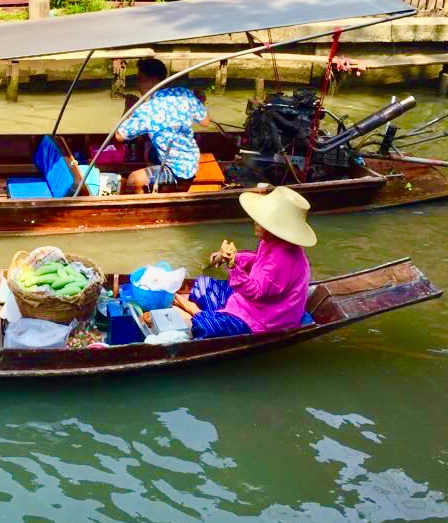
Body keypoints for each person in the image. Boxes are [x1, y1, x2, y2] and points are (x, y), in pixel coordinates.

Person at [174, 186, 316, 339]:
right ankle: (211, 312)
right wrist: (233, 257)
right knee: (203, 285)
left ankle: (198, 312)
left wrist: (233, 266)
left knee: (205, 325)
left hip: (268, 318)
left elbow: (255, 291)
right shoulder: (272, 242)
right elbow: (258, 261)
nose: (255, 222)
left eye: (261, 220)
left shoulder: (282, 258)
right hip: (254, 305)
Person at [114, 57, 212, 194]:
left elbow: (119, 136)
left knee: (133, 179)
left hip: (178, 171)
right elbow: (205, 122)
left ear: (153, 80)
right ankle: (160, 185)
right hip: (191, 159)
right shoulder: (184, 94)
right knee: (149, 150)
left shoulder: (147, 109)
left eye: (140, 79)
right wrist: (199, 101)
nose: (137, 84)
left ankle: (145, 208)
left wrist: (130, 107)